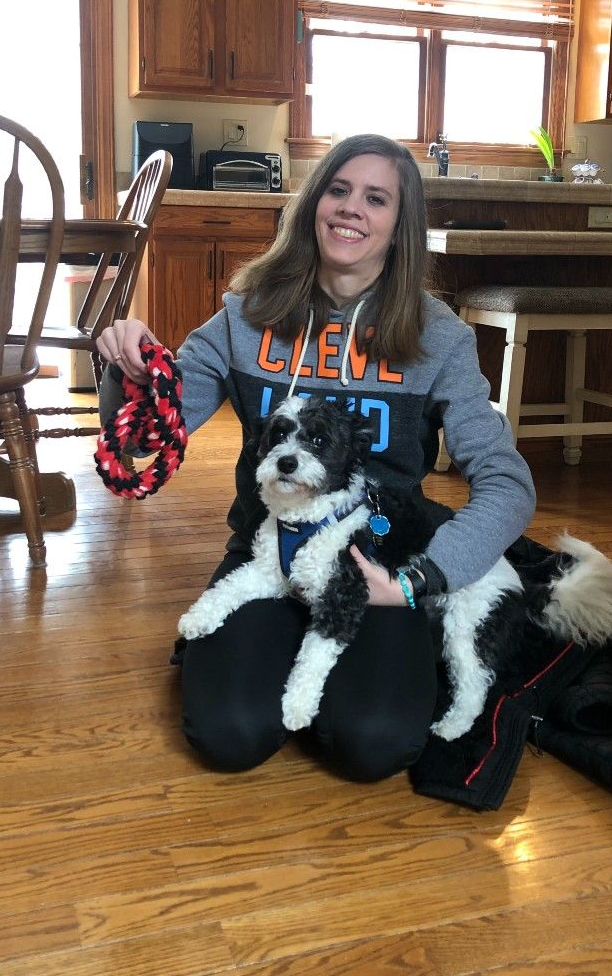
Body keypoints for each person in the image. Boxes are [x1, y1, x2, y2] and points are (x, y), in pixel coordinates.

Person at [97, 134, 535, 782]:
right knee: (229, 737)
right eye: (338, 190)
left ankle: (372, 669)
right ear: (312, 206)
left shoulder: (438, 335)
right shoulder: (244, 319)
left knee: (373, 747)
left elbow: (507, 486)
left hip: (378, 565)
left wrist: (422, 579)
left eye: (376, 198)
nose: (352, 208)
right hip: (267, 552)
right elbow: (144, 444)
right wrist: (127, 366)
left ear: (399, 225)